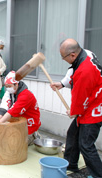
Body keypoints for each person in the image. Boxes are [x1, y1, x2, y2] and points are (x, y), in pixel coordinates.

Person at [50, 38, 102, 178]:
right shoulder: (86, 54)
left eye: (63, 57)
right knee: (73, 134)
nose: (62, 59)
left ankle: (98, 174)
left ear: (72, 55)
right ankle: (70, 164)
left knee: (86, 145)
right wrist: (61, 84)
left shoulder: (84, 72)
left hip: (94, 109)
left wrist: (73, 112)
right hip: (91, 101)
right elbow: (72, 72)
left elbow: (80, 99)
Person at [0, 71, 41, 143]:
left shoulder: (25, 95)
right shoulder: (11, 91)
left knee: (14, 144)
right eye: (6, 86)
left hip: (29, 124)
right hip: (19, 122)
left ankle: (33, 136)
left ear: (16, 84)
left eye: (9, 86)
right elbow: (5, 103)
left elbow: (13, 111)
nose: (8, 88)